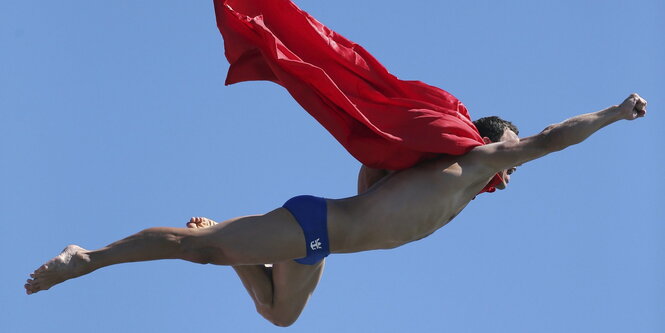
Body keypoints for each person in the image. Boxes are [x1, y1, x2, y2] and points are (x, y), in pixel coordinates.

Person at [24, 94, 647, 326]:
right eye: (510, 162)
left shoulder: (446, 182)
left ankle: (218, 233)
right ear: (495, 147)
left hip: (319, 245)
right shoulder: (477, 163)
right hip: (317, 223)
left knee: (279, 315)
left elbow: (370, 177)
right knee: (203, 251)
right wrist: (615, 114)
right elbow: (555, 138)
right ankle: (88, 258)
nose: (510, 177)